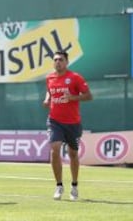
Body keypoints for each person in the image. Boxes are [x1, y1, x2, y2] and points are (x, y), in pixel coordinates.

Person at [43, 50, 92, 201]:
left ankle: (74, 186)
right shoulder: (49, 77)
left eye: (61, 60)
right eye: (56, 59)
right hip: (54, 121)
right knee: (55, 150)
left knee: (73, 154)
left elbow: (89, 96)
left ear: (67, 62)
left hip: (73, 124)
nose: (58, 62)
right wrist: (46, 100)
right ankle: (59, 186)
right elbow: (49, 92)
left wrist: (73, 97)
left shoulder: (75, 77)